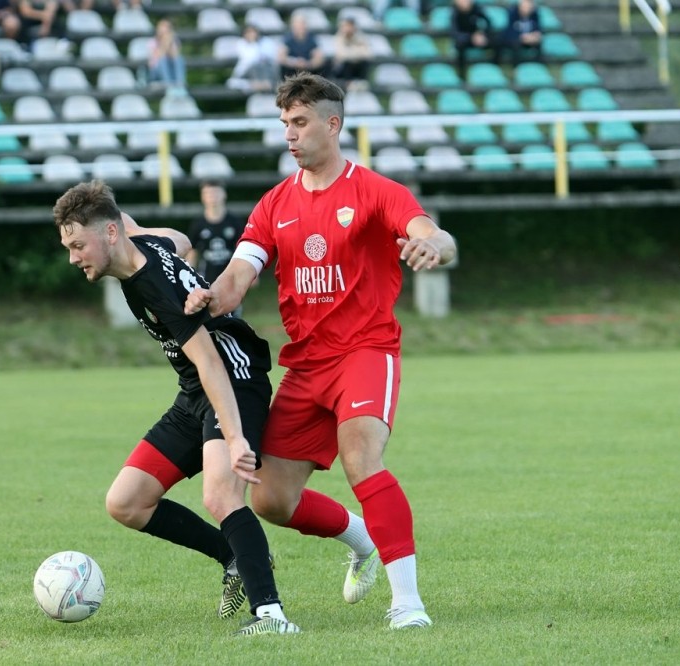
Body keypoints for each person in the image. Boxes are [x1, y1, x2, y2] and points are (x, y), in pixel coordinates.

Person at [185, 73, 458, 630]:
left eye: (300, 122)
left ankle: (408, 604)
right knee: (270, 500)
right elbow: (239, 276)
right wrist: (209, 296)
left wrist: (433, 245)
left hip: (366, 351)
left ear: (332, 125)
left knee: (361, 457)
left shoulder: (376, 191)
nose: (290, 133)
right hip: (306, 364)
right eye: (285, 123)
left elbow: (435, 234)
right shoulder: (274, 204)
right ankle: (362, 541)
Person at [53, 180, 300, 637]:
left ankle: (271, 616)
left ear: (109, 234)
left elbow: (210, 362)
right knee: (126, 502)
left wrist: (235, 437)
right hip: (194, 391)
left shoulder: (154, 288)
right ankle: (233, 557)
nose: (73, 258)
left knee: (221, 495)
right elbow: (182, 241)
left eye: (78, 245)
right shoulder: (141, 241)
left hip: (234, 380)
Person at [186, 180, 246, 317]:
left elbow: (244, 248)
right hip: (207, 277)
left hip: (230, 276)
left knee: (232, 317)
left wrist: (249, 273)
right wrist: (188, 273)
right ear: (202, 197)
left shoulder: (235, 222)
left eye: (215, 192)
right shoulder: (198, 224)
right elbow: (192, 251)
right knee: (209, 316)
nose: (212, 196)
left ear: (224, 195)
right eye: (208, 193)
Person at [451, 0, 499, 78]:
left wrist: (483, 34)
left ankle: (494, 68)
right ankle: (462, 75)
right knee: (460, 46)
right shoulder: (455, 13)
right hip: (466, 39)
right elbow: (455, 33)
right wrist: (470, 37)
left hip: (479, 37)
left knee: (497, 42)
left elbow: (488, 22)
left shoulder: (476, 9)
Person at [226, 24, 279, 93]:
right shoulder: (241, 44)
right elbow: (249, 60)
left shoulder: (267, 42)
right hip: (249, 74)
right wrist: (253, 43)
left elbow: (270, 59)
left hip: (266, 72)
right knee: (232, 83)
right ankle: (257, 85)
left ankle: (266, 85)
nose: (251, 35)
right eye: (248, 32)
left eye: (253, 32)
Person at [278, 13, 326, 80]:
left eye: (302, 24)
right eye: (297, 25)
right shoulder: (287, 39)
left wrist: (307, 64)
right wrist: (294, 63)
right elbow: (281, 57)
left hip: (309, 70)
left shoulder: (312, 39)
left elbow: (319, 58)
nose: (300, 27)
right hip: (291, 71)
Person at [330, 17, 372, 92]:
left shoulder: (360, 37)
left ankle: (362, 83)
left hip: (357, 67)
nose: (348, 29)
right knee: (346, 63)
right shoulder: (339, 37)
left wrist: (350, 52)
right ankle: (349, 84)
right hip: (342, 70)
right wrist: (357, 51)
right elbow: (342, 55)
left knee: (365, 63)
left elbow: (368, 54)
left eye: (349, 26)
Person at [147, 18, 187, 90]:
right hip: (156, 72)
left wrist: (170, 42)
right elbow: (157, 58)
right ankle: (169, 85)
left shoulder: (174, 41)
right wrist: (165, 43)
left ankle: (180, 84)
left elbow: (175, 56)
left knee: (179, 58)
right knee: (163, 60)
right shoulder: (152, 42)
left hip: (171, 69)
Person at [501, 0, 543, 65]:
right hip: (516, 39)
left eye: (529, 7)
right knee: (515, 44)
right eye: (525, 7)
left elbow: (538, 28)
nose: (527, 9)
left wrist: (535, 36)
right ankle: (517, 65)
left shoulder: (534, 15)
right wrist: (522, 37)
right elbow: (510, 31)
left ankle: (537, 64)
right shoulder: (513, 14)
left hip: (529, 38)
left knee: (538, 42)